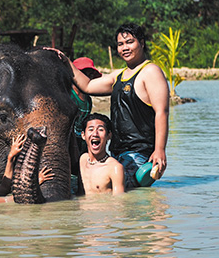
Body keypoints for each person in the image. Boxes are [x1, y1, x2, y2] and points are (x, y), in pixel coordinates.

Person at [47, 23, 169, 189]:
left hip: (139, 154)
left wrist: (160, 150)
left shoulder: (150, 71)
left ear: (141, 42)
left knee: (106, 189)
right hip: (117, 152)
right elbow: (88, 86)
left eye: (129, 42)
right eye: (120, 44)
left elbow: (162, 112)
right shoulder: (119, 75)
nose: (125, 48)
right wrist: (65, 60)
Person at [79, 113, 125, 195]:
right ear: (83, 135)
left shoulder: (115, 168)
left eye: (100, 130)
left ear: (109, 136)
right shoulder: (83, 160)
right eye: (90, 129)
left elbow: (119, 203)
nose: (95, 134)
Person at [70, 57, 102, 154]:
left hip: (81, 143)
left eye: (90, 74)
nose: (87, 77)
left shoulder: (88, 100)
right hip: (70, 142)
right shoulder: (69, 95)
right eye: (84, 73)